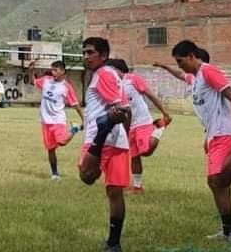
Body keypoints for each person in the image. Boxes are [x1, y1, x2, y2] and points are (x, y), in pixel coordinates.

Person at [154, 40, 231, 243]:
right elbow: (181, 75)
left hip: (223, 132)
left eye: (181, 61)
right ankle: (228, 231)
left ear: (192, 56)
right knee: (216, 183)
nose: (180, 65)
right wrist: (166, 67)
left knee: (219, 181)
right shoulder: (195, 77)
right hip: (212, 134)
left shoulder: (208, 71)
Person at [78, 37, 131, 252]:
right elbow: (127, 110)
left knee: (86, 176)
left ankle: (113, 243)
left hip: (101, 139)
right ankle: (114, 243)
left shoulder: (102, 75)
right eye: (84, 53)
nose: (86, 57)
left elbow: (120, 109)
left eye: (91, 52)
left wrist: (106, 125)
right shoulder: (109, 74)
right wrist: (125, 136)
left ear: (104, 55)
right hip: (119, 141)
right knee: (114, 193)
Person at [105, 59, 172, 193]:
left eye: (111, 70)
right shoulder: (112, 87)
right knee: (134, 156)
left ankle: (160, 126)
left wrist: (165, 113)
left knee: (146, 151)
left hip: (142, 121)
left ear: (119, 69)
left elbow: (151, 95)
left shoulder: (132, 79)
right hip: (128, 125)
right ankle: (137, 186)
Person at [26, 59, 84, 180]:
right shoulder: (46, 80)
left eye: (55, 70)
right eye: (52, 69)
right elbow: (33, 82)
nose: (53, 72)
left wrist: (84, 119)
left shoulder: (66, 87)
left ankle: (75, 128)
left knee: (62, 142)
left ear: (62, 71)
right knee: (51, 149)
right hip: (45, 121)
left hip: (58, 120)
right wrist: (30, 71)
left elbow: (75, 104)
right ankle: (55, 174)